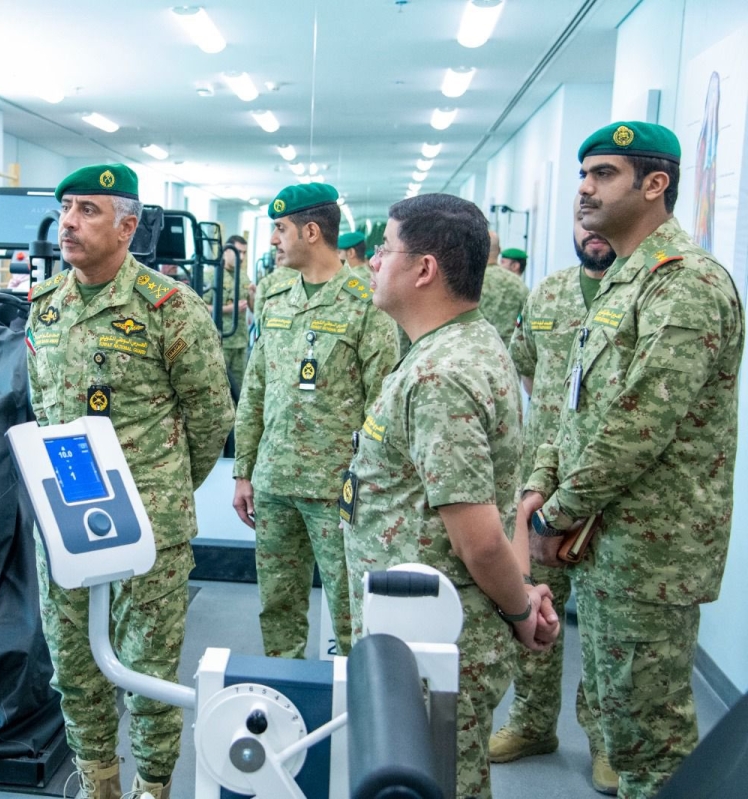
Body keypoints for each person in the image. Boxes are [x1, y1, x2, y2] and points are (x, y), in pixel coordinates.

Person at [520, 121, 744, 799]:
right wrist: (541, 487)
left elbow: (639, 422)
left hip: (652, 554)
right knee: (624, 726)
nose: (585, 189)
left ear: (655, 184)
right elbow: (573, 406)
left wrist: (556, 513)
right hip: (606, 543)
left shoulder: (686, 282)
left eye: (604, 174)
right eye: (583, 174)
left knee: (652, 745)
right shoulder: (622, 281)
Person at [25, 163, 234, 799]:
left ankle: (153, 786)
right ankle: (98, 782)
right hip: (66, 516)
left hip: (148, 523)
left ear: (127, 226)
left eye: (87, 209)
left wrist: (162, 490)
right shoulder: (45, 306)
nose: (68, 222)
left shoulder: (169, 309)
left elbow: (210, 418)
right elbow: (41, 406)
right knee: (73, 669)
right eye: (65, 208)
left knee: (148, 674)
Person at [344, 193, 560, 799]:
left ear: (424, 269)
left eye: (385, 249)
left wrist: (520, 611)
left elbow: (480, 539)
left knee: (441, 784)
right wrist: (523, 590)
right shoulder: (462, 343)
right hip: (418, 624)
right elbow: (500, 496)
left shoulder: (441, 374)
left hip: (434, 637)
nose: (373, 261)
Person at [233, 184, 398, 660]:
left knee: (350, 609)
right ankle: (284, 694)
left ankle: (355, 698)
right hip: (274, 481)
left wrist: (370, 483)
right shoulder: (274, 294)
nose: (273, 240)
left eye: (280, 229)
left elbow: (381, 404)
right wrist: (243, 471)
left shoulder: (366, 301)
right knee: (277, 607)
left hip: (337, 487)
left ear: (311, 231)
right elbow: (256, 388)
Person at [492, 197, 618, 793]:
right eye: (581, 222)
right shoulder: (547, 294)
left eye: (599, 221)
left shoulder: (640, 294)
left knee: (603, 623)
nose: (591, 231)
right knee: (532, 608)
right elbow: (526, 368)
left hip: (608, 489)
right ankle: (532, 723)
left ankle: (606, 741)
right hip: (539, 486)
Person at [207, 233, 254, 395]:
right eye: (237, 252)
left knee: (238, 389)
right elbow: (200, 306)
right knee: (218, 387)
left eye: (244, 253)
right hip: (220, 341)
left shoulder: (243, 276)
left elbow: (253, 308)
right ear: (226, 251)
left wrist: (253, 295)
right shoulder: (212, 275)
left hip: (240, 341)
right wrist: (228, 309)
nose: (241, 257)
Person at [478, 232, 529, 343]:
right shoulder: (518, 284)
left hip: (475, 347)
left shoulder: (469, 280)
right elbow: (527, 324)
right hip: (506, 349)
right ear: (499, 250)